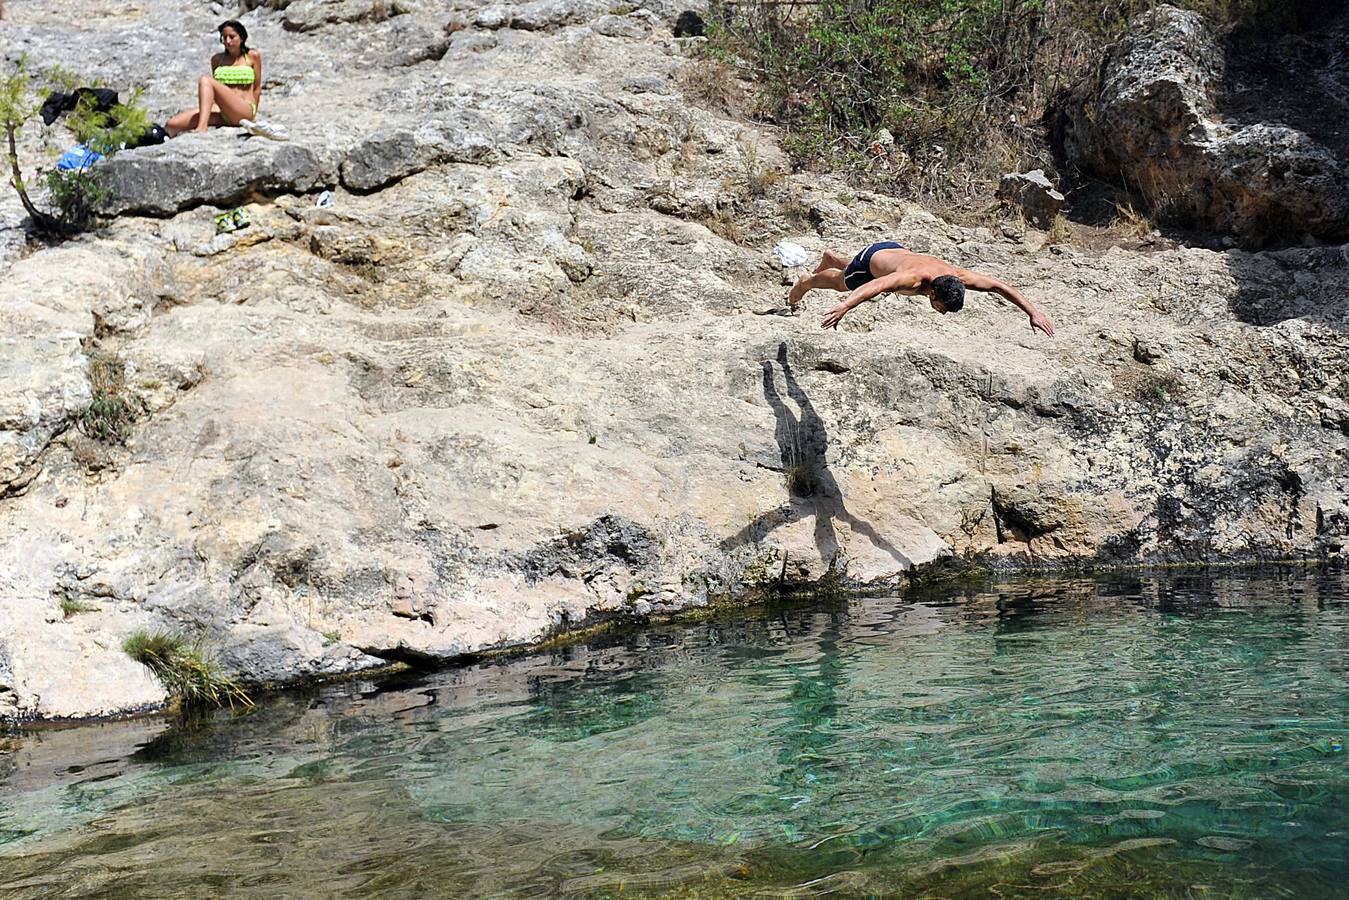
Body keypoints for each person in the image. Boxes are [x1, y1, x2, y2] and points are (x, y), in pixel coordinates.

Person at [788, 241, 1055, 336]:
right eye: (943, 309)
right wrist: (845, 306)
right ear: (932, 293)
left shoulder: (958, 277)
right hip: (873, 261)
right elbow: (877, 285)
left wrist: (1032, 312)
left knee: (852, 269)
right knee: (841, 282)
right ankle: (806, 282)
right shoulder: (912, 280)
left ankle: (833, 258)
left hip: (893, 252)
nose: (943, 313)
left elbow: (998, 286)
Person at [166, 20, 263, 137]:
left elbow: (257, 89)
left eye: (232, 37)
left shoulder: (252, 56)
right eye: (224, 37)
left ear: (241, 38)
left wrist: (252, 116)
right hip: (222, 111)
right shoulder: (217, 59)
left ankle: (202, 127)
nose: (227, 41)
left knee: (205, 80)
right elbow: (215, 91)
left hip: (244, 110)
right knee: (172, 124)